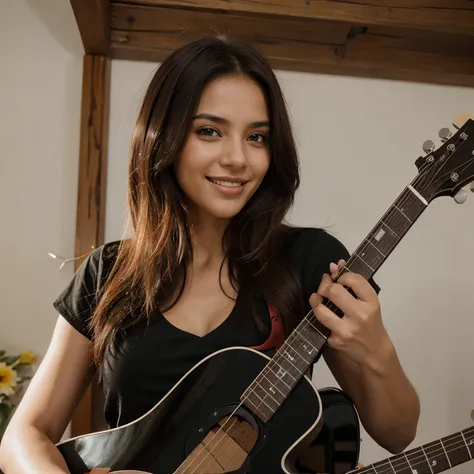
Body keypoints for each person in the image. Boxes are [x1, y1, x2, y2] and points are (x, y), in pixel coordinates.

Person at [0, 35, 420, 473]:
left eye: (257, 137)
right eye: (209, 131)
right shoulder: (108, 272)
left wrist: (377, 349)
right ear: (164, 137)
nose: (238, 158)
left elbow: (396, 434)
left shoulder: (310, 260)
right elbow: (24, 436)